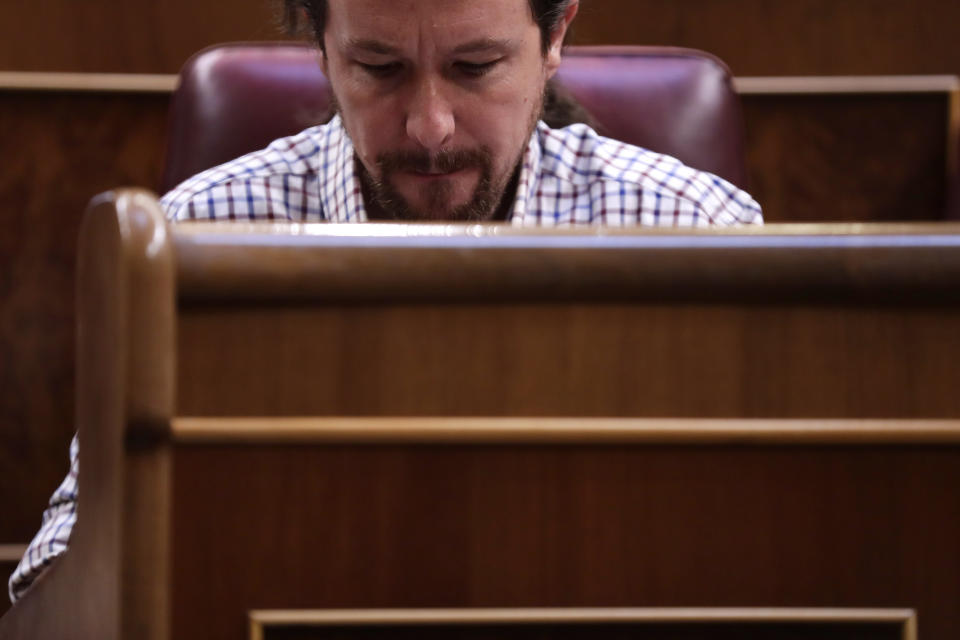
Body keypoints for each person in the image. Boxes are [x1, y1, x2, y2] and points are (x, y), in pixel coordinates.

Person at [9, 0, 762, 605]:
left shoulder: (702, 233)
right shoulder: (188, 242)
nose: (429, 127)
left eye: (476, 67)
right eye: (379, 67)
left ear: (555, 35)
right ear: (322, 45)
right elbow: (60, 569)